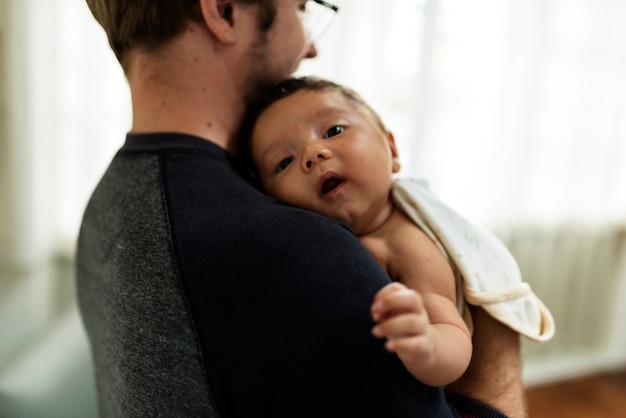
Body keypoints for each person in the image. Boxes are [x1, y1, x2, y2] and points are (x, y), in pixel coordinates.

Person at [77, 0, 527, 417]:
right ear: (225, 11)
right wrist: (498, 343)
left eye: (333, 129)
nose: (311, 48)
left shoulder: (104, 206)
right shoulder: (299, 248)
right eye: (301, 7)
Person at [242, 75, 554, 397]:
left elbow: (454, 338)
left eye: (333, 131)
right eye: (283, 162)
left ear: (391, 149)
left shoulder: (408, 247)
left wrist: (427, 343)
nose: (313, 153)